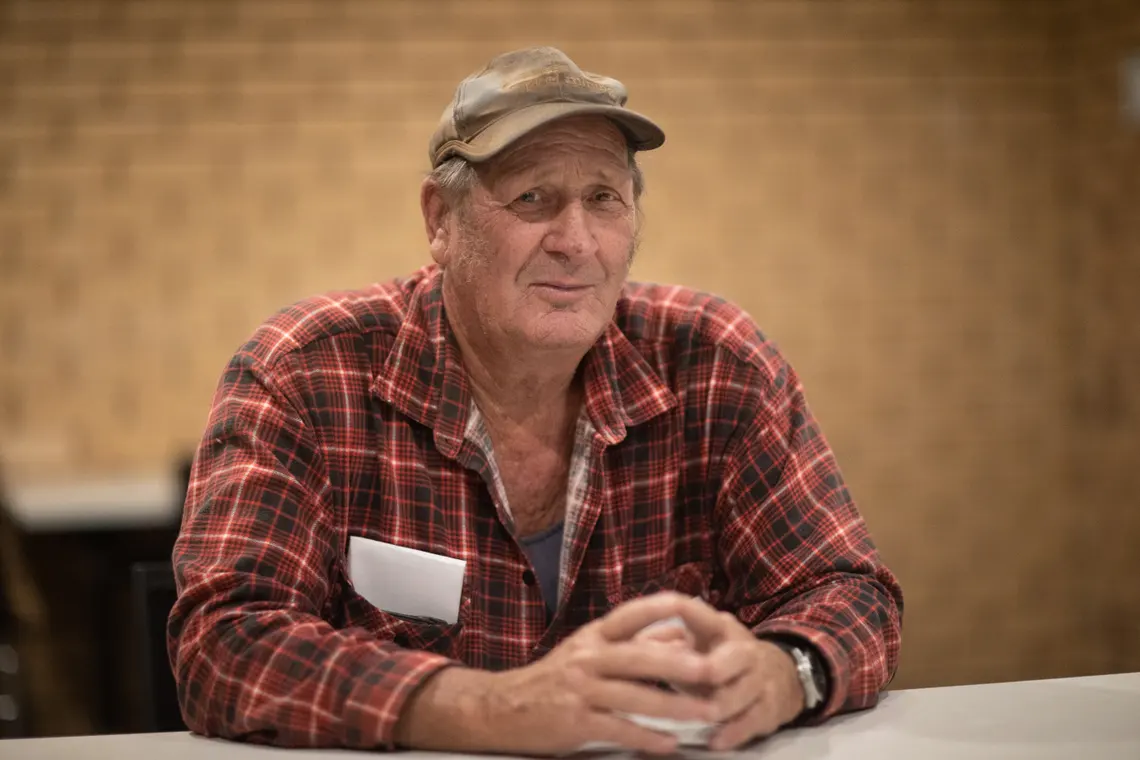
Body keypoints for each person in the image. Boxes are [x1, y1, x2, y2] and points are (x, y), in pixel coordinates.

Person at [167, 46, 903, 755]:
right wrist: (497, 711)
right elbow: (223, 644)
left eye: (604, 199)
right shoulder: (305, 373)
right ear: (440, 222)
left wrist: (786, 673)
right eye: (532, 198)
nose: (576, 241)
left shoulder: (716, 364)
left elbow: (849, 592)